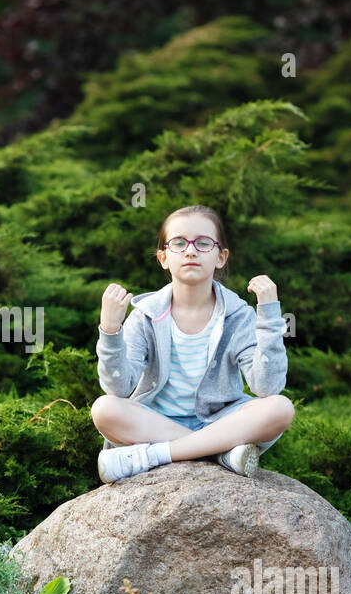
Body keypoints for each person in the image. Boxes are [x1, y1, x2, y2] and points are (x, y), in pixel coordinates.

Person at [91, 204, 294, 482]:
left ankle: (154, 456)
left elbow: (267, 386)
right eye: (178, 242)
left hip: (223, 421)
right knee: (105, 408)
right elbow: (118, 388)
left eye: (202, 242)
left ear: (221, 257)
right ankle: (220, 455)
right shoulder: (145, 316)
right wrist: (110, 329)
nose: (190, 251)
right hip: (156, 423)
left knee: (280, 407)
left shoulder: (238, 316)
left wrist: (269, 314)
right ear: (163, 257)